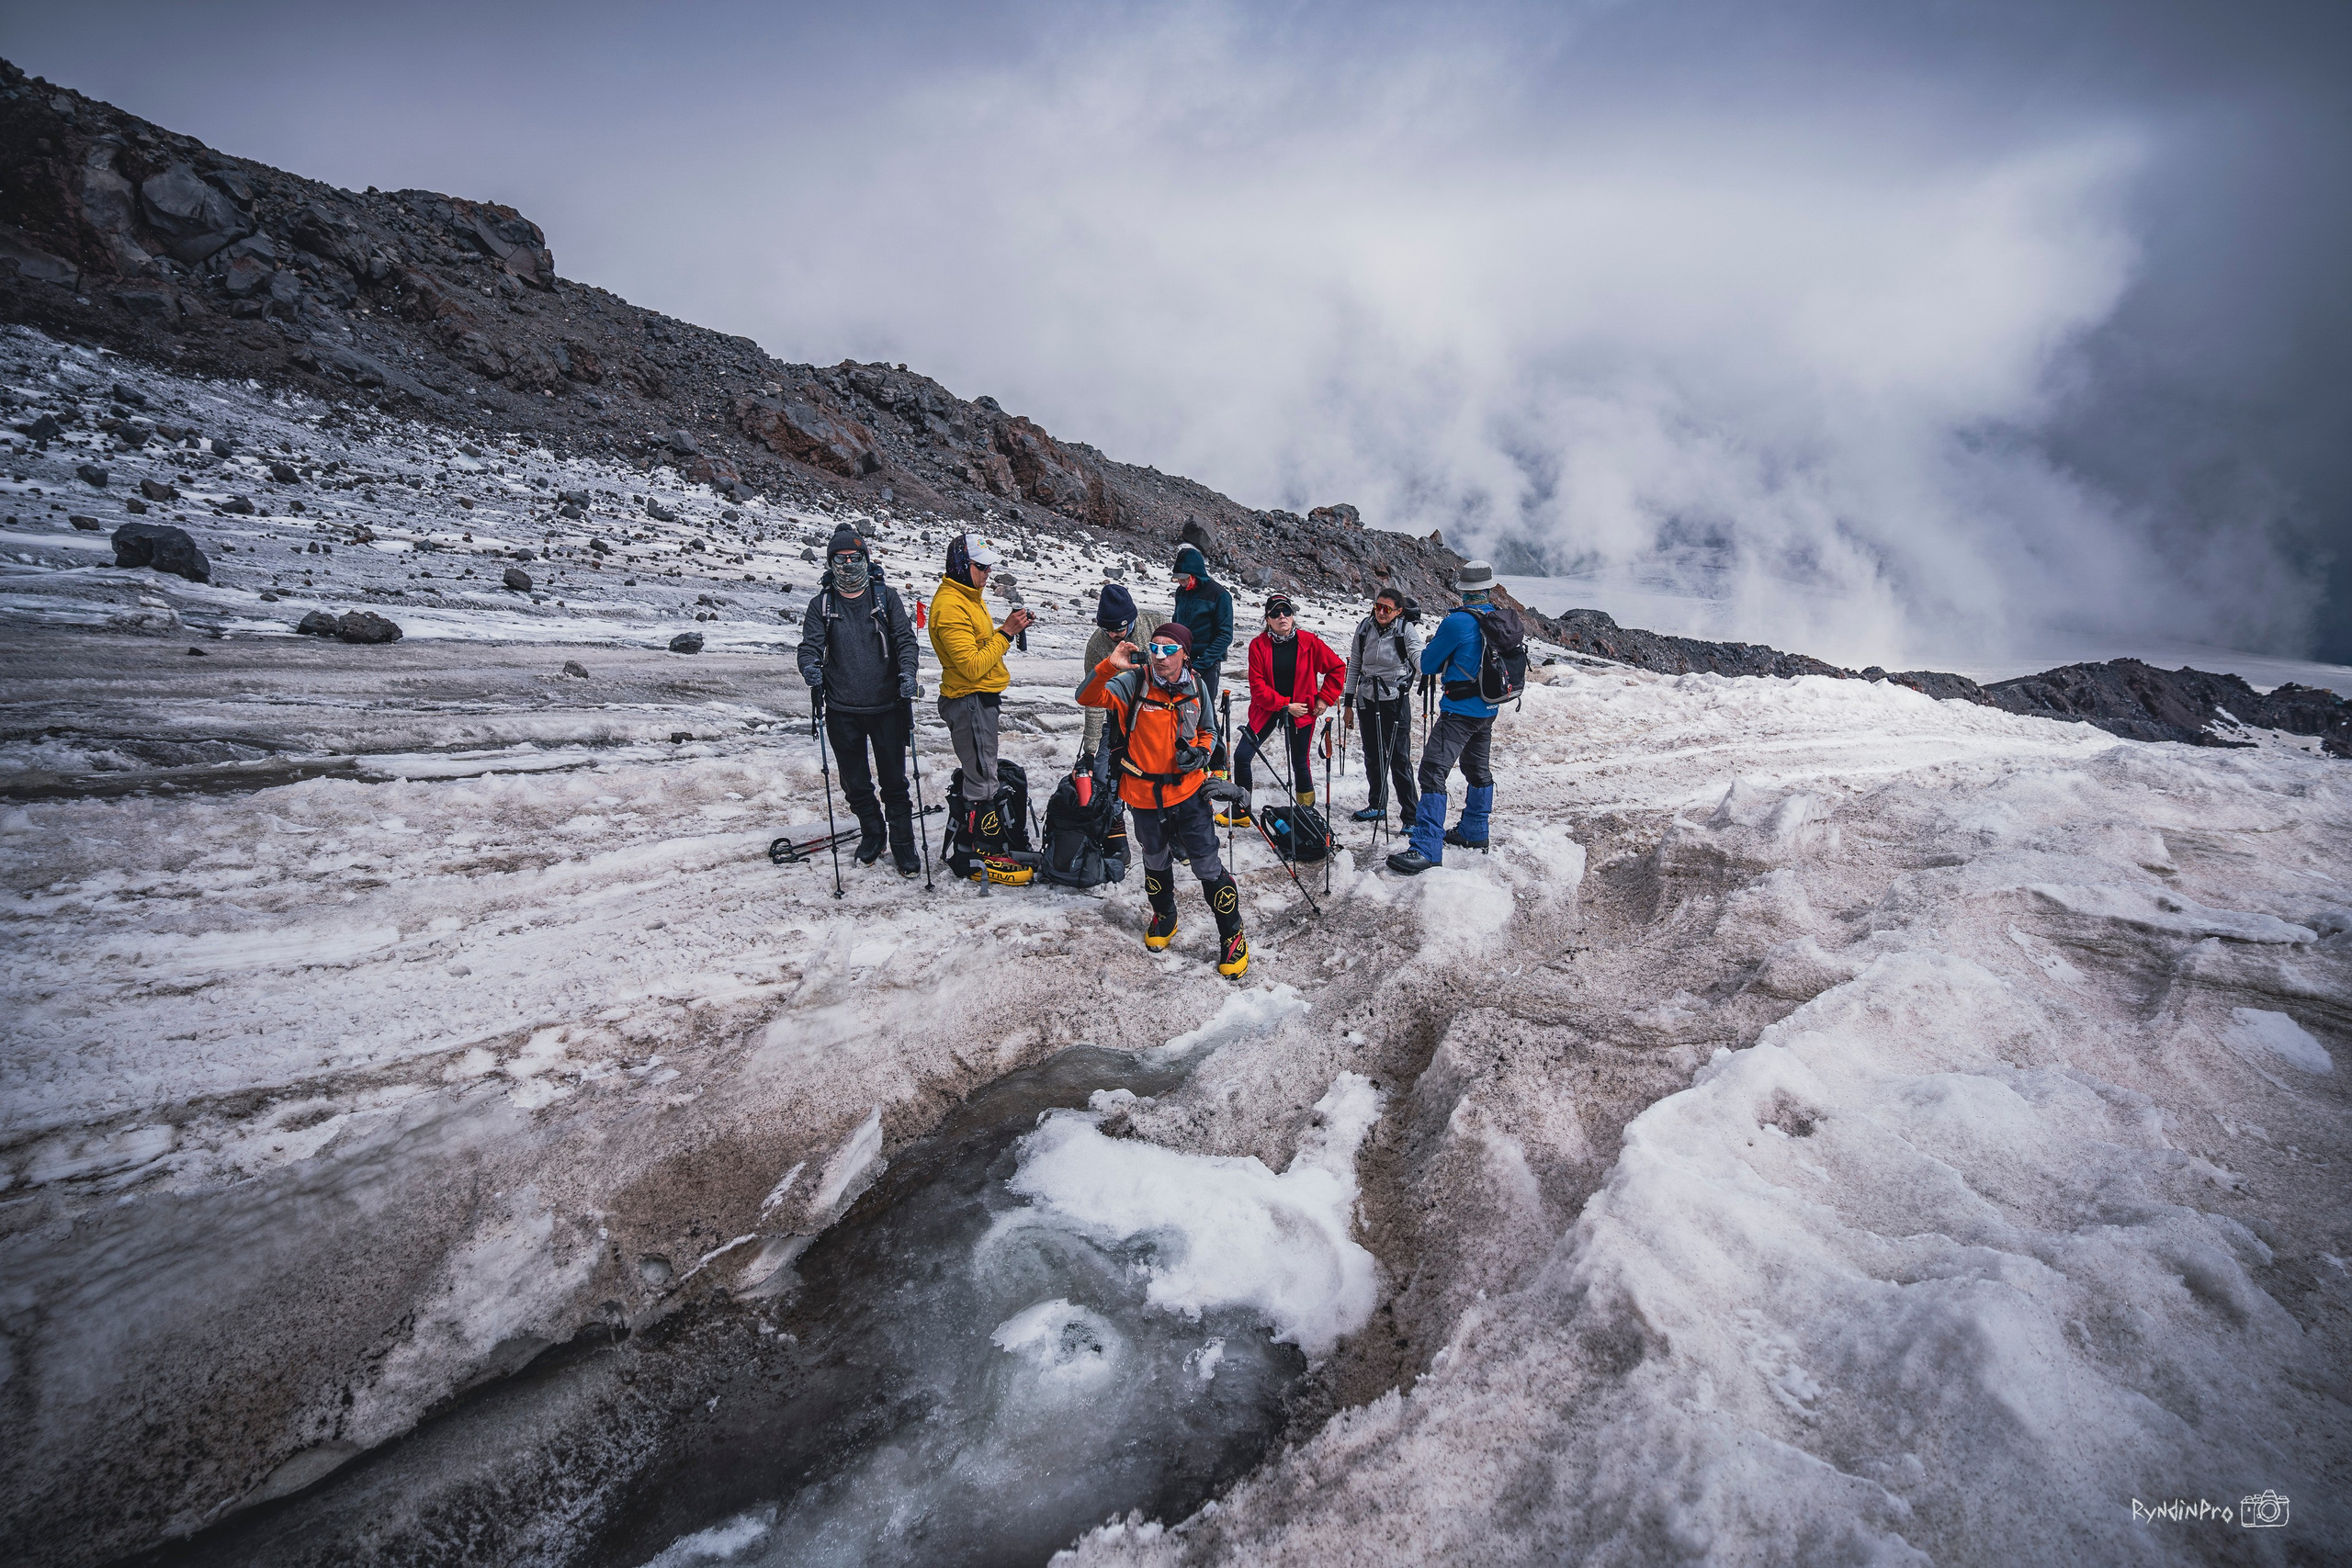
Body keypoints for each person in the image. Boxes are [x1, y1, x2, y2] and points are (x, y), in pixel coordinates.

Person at [1077, 621, 1248, 976]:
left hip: (1187, 791)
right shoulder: (1133, 682)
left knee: (1206, 865)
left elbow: (1209, 731)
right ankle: (1165, 916)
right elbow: (1086, 697)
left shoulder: (1197, 686)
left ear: (1185, 654)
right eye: (1154, 648)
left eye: (1169, 650)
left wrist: (1201, 754)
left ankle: (1232, 935)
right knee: (1154, 860)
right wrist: (1111, 665)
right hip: (1143, 794)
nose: (1159, 656)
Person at [797, 525, 922, 875]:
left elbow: (905, 642)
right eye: (842, 559)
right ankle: (873, 833)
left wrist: (908, 674)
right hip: (841, 709)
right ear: (831, 561)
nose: (849, 564)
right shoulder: (821, 604)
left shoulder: (886, 597)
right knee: (854, 783)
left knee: (894, 782)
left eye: (856, 558)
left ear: (867, 558)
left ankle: (902, 844)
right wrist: (809, 667)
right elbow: (809, 647)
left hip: (887, 707)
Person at [1388, 561, 1502, 875]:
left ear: (1463, 590)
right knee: (1476, 768)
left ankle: (1426, 847)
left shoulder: (1458, 623)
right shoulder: (1498, 619)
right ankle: (1474, 831)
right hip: (1489, 708)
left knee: (1432, 772)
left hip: (1460, 711)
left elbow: (1427, 664)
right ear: (1489, 588)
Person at [928, 531, 1034, 806]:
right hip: (969, 700)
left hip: (977, 698)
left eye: (989, 566)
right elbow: (972, 667)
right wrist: (1007, 634)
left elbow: (979, 646)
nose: (988, 572)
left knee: (983, 773)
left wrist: (1009, 628)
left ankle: (979, 837)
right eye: (981, 566)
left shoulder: (969, 596)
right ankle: (981, 843)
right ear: (962, 565)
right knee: (983, 784)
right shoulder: (952, 606)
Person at [1227, 593, 1344, 827]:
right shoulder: (1258, 645)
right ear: (1267, 619)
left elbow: (1337, 668)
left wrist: (1324, 699)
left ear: (1293, 616)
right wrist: (1284, 704)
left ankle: (1306, 814)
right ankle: (1242, 812)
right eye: (1275, 613)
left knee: (1300, 761)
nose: (1282, 617)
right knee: (1242, 757)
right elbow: (1257, 687)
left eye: (1286, 612)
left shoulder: (1309, 642)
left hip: (1302, 710)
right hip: (1269, 708)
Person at [1343, 586, 1423, 824]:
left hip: (1395, 701)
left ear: (1399, 611)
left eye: (1387, 609)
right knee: (1373, 755)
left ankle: (1411, 816)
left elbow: (1417, 655)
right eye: (1378, 606)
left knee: (1399, 758)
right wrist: (1349, 703)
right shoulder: (1365, 628)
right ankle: (1377, 804)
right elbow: (1355, 664)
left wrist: (1428, 666)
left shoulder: (1405, 631)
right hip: (1367, 699)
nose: (1381, 612)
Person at [1079, 580, 1167, 785]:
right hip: (1118, 716)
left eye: (1117, 629)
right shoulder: (1096, 646)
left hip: (1160, 711)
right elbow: (1093, 699)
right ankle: (1114, 813)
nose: (1112, 635)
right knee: (1104, 771)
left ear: (1131, 620)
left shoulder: (1156, 623)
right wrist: (1090, 750)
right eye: (1106, 630)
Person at [1170, 543, 1234, 735]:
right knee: (1180, 706)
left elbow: (1225, 635)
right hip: (1182, 660)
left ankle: (1215, 753)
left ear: (1195, 574)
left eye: (1184, 578)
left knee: (1204, 709)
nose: (1180, 583)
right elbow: (1176, 623)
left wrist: (1202, 663)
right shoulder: (1181, 592)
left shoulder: (1219, 595)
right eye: (1178, 579)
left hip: (1207, 663)